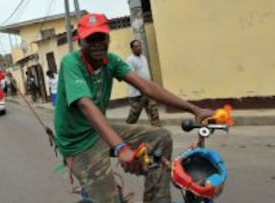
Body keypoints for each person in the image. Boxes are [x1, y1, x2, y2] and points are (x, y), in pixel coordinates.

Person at [54, 13, 213, 203]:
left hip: (99, 131)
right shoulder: (71, 63)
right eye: (90, 39)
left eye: (101, 38)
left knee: (161, 138)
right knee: (108, 199)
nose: (97, 43)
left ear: (108, 39)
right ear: (80, 42)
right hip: (78, 144)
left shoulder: (111, 61)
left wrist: (194, 109)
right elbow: (85, 104)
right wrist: (121, 148)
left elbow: (146, 86)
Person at [126, 40, 161, 127]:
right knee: (134, 115)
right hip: (136, 94)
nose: (139, 48)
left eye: (140, 46)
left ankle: (157, 129)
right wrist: (140, 88)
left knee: (153, 110)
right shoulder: (130, 60)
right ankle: (127, 130)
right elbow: (132, 77)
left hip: (148, 91)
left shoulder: (143, 58)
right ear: (132, 49)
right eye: (136, 47)